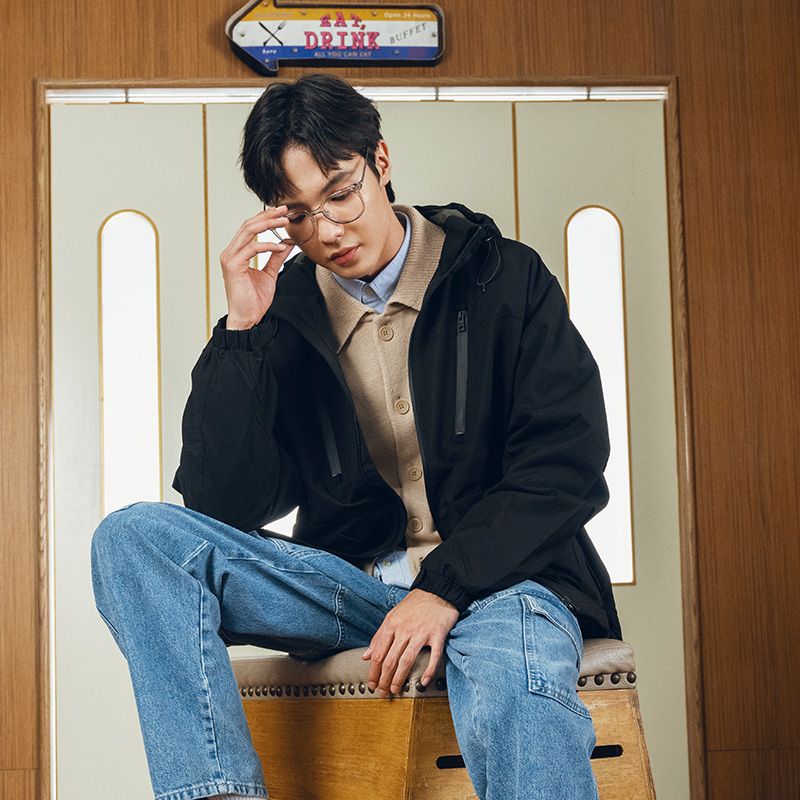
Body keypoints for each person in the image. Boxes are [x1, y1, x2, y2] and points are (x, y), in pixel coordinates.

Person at [92, 73, 621, 800]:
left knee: (513, 674)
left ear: (381, 161)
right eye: (299, 216)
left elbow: (566, 462)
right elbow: (222, 506)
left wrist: (444, 588)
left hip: (505, 584)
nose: (329, 231)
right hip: (356, 591)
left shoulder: (504, 278)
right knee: (132, 541)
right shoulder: (281, 313)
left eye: (341, 195)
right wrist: (242, 333)